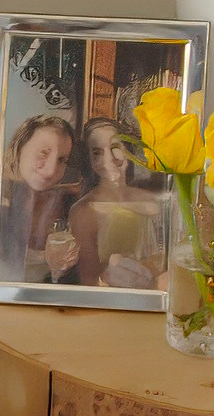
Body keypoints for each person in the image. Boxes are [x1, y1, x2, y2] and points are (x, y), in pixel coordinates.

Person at [68, 117, 165, 290]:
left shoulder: (152, 200)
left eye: (115, 148)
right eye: (97, 153)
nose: (109, 160)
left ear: (127, 151)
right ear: (89, 160)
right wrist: (105, 278)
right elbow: (88, 282)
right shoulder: (83, 211)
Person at [0, 113, 80, 285]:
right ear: (19, 148)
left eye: (62, 159)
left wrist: (59, 270)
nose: (51, 170)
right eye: (43, 153)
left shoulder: (63, 203)